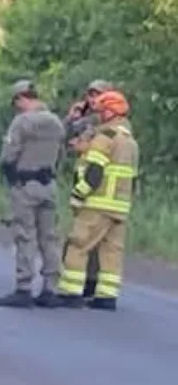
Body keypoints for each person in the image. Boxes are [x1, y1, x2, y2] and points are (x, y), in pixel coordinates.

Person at [56, 90, 138, 310]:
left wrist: (78, 194)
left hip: (97, 204)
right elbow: (133, 179)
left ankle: (70, 293)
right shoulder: (130, 142)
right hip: (120, 208)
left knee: (78, 245)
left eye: (101, 111)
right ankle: (107, 297)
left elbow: (94, 172)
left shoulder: (105, 137)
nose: (99, 115)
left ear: (110, 112)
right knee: (111, 252)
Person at [0, 80, 67, 308]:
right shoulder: (56, 122)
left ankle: (24, 287)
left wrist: (9, 175)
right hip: (49, 184)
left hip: (25, 185)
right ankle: (50, 288)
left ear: (21, 98)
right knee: (50, 237)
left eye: (16, 102)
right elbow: (61, 155)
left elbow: (8, 155)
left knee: (25, 235)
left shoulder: (22, 122)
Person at [64, 80, 112, 297]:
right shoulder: (86, 119)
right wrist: (72, 118)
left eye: (98, 95)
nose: (93, 100)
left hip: (97, 187)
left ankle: (83, 284)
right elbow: (66, 141)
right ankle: (85, 282)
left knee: (83, 240)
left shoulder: (105, 124)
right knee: (86, 239)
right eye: (91, 95)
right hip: (83, 182)